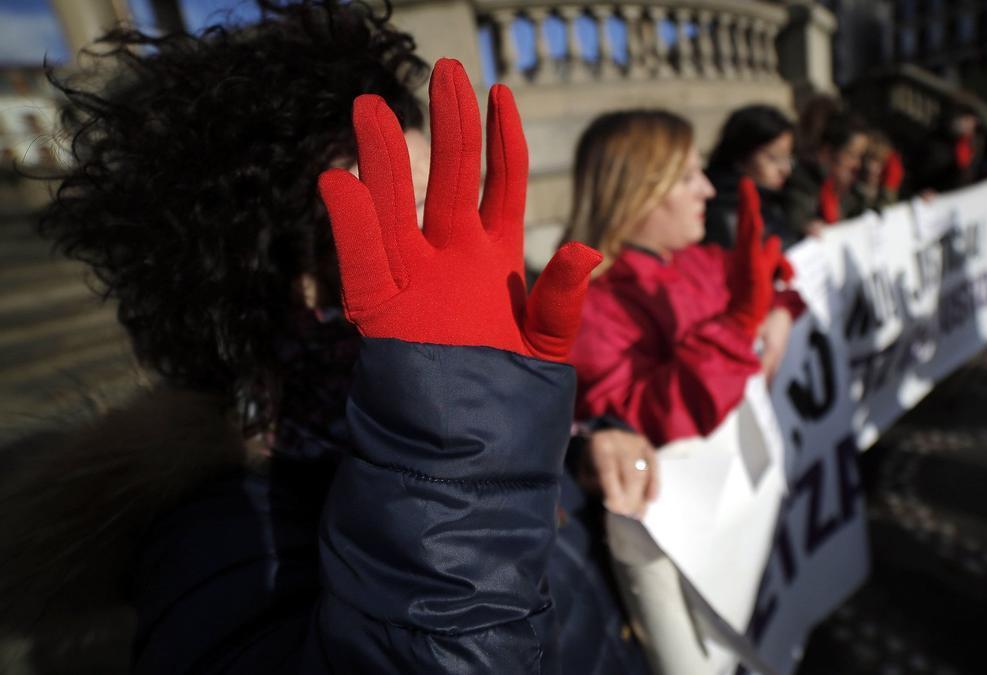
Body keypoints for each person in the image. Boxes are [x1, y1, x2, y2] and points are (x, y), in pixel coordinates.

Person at [4, 2, 649, 673]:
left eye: (468, 215)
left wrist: (578, 443)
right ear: (289, 280)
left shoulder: (469, 421)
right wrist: (463, 453)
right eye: (419, 223)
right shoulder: (222, 544)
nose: (469, 260)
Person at [562, 110, 804, 448]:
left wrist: (779, 311)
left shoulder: (697, 260)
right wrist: (739, 327)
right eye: (687, 177)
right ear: (637, 192)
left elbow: (772, 291)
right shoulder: (590, 309)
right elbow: (634, 428)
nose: (707, 189)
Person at [703, 104, 795, 249]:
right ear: (741, 156)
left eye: (788, 158)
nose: (785, 169)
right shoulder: (722, 212)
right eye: (773, 158)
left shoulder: (775, 199)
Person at [782, 110, 870, 237]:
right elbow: (797, 224)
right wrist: (805, 229)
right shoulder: (802, 186)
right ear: (827, 153)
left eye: (861, 157)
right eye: (851, 155)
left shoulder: (853, 194)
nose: (857, 164)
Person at [858, 129, 906, 211]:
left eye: (879, 162)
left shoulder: (881, 192)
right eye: (867, 158)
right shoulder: (852, 185)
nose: (871, 167)